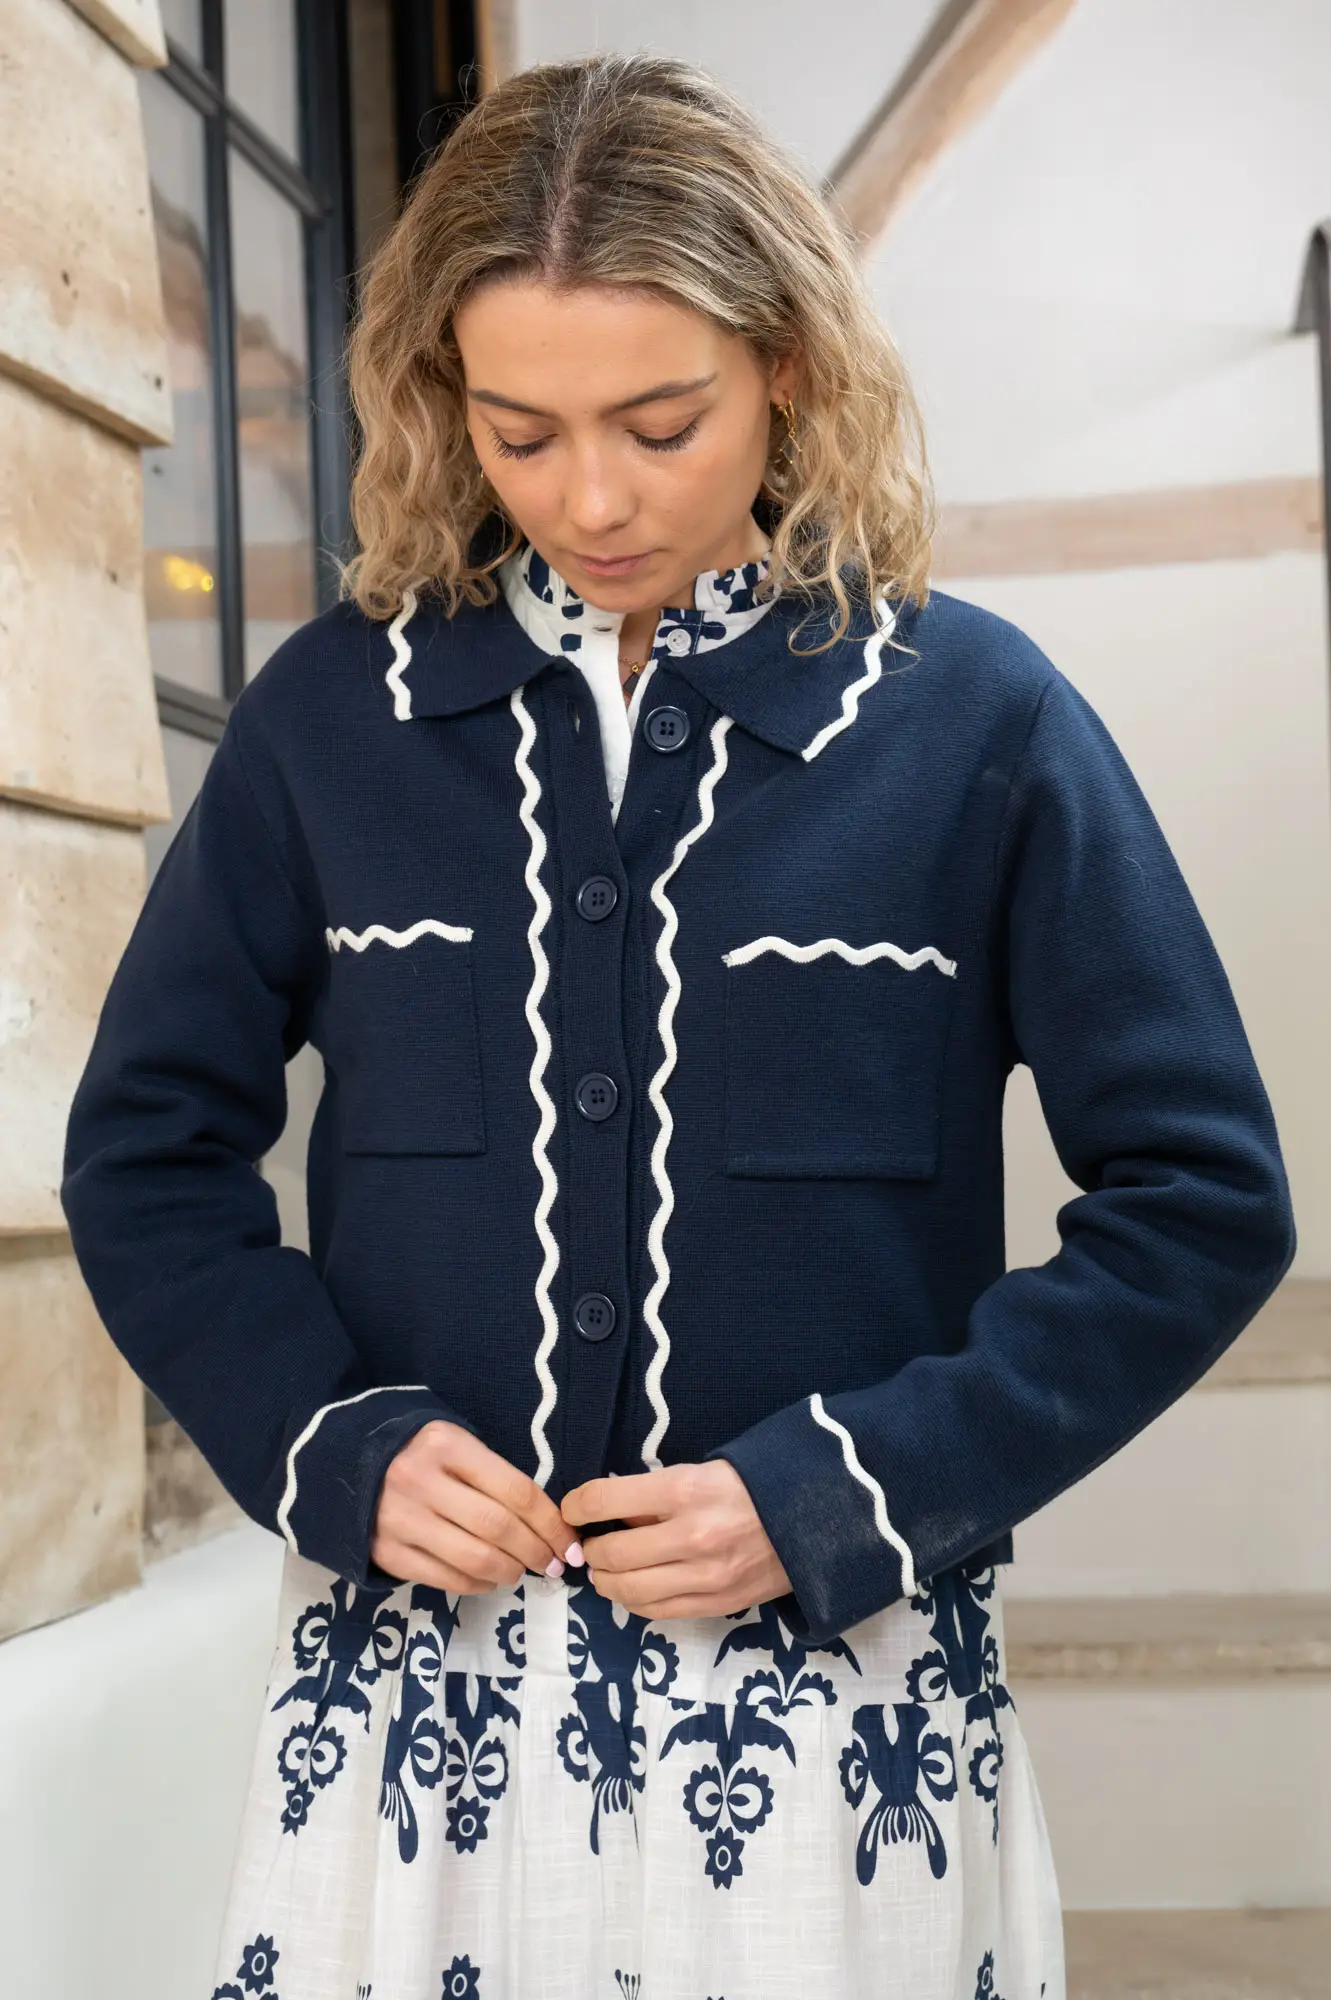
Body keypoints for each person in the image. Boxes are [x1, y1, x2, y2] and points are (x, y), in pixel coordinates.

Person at [61, 50, 1295, 2000]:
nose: (591, 497)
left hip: (833, 1741)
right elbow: (144, 1155)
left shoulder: (975, 725)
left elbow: (1198, 1205)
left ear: (785, 365)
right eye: (519, 430)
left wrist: (843, 1490)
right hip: (415, 1727)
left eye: (660, 421)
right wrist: (322, 1436)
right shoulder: (331, 724)